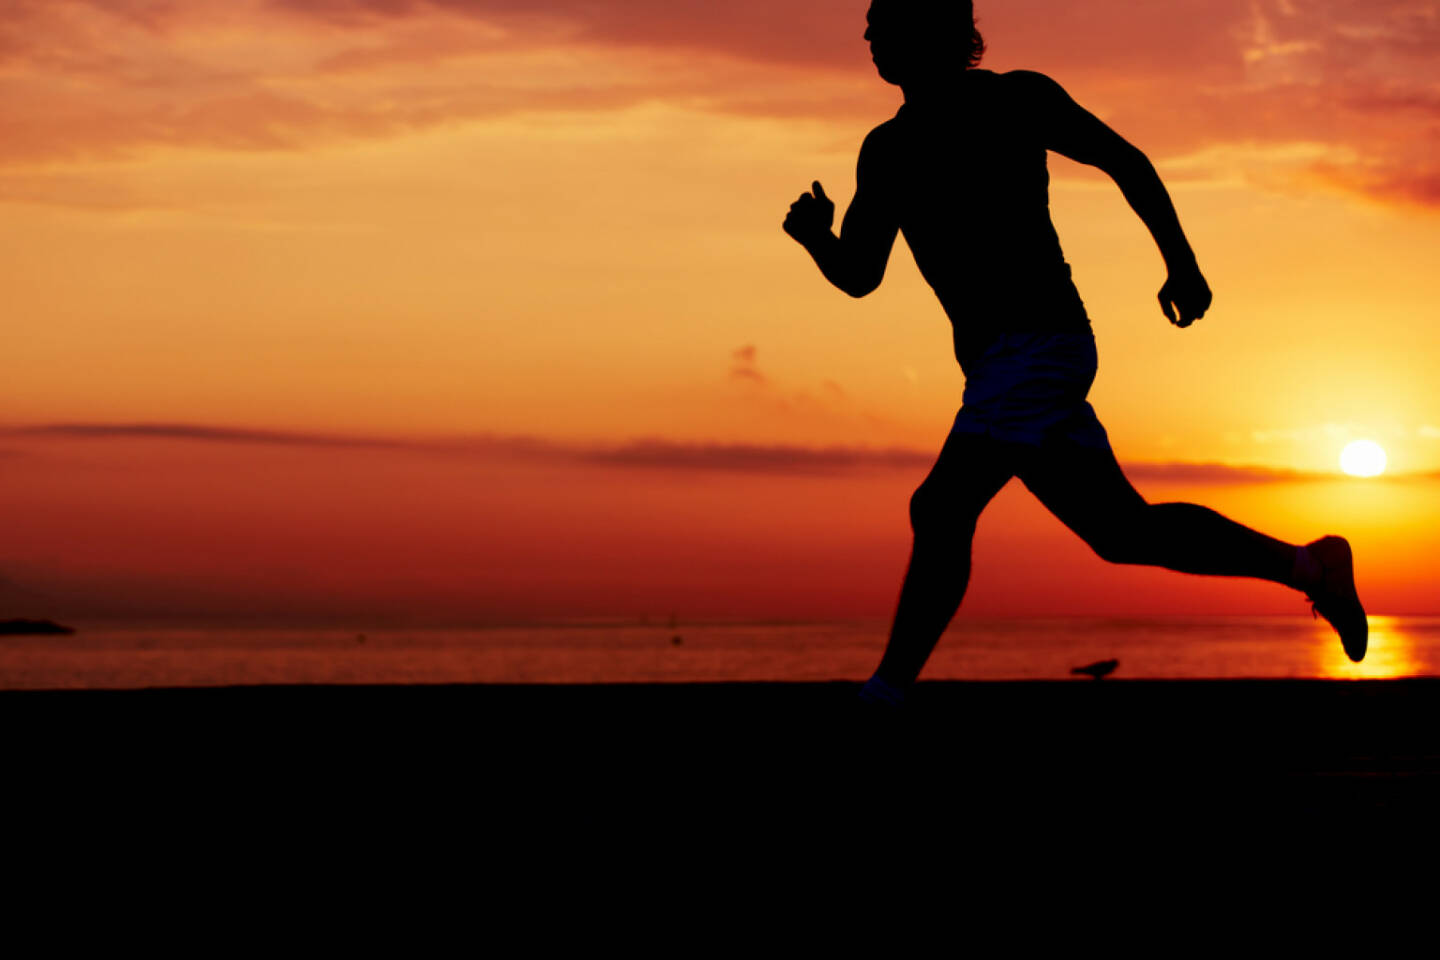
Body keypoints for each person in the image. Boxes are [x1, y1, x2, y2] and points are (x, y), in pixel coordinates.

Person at [781, 0, 1368, 707]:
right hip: (1001, 364)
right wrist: (817, 238)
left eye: (885, 21)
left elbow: (1126, 161)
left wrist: (1180, 262)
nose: (869, 35)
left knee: (941, 506)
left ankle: (885, 693)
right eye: (870, 24)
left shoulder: (1015, 98)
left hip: (1043, 346)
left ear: (934, 29)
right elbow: (861, 275)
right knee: (1122, 532)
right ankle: (1311, 567)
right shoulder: (886, 150)